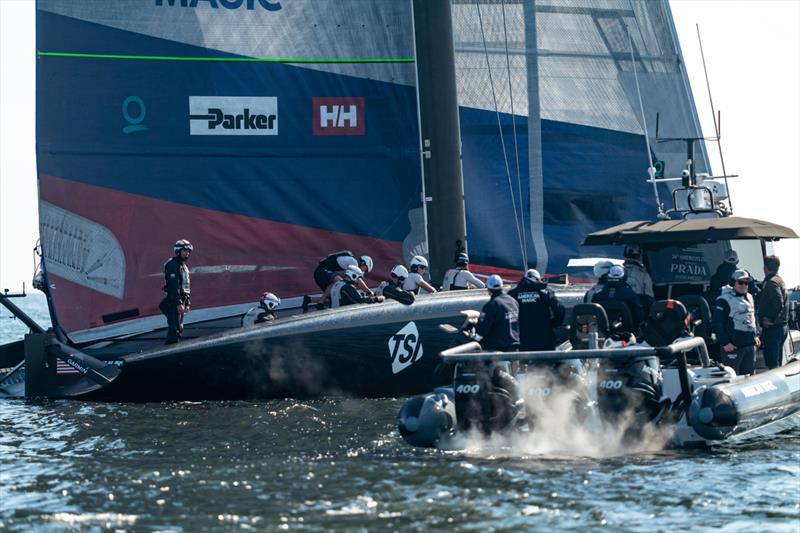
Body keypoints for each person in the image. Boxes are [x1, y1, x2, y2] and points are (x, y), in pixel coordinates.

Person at [713, 269, 759, 375]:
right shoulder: (723, 300)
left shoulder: (750, 297)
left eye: (746, 283)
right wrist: (725, 342)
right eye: (740, 282)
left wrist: (756, 335)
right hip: (733, 347)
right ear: (733, 283)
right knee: (733, 378)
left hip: (749, 345)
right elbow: (717, 323)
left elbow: (753, 317)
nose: (744, 285)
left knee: (750, 378)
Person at [508, 269, 565, 351]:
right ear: (538, 279)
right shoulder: (546, 292)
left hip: (523, 341)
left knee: (525, 363)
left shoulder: (513, 293)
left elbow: (505, 315)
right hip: (545, 340)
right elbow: (560, 310)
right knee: (546, 363)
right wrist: (552, 324)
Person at [305, 251, 374, 311]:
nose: (364, 272)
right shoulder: (353, 262)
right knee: (340, 283)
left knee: (335, 295)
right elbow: (359, 280)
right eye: (365, 269)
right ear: (363, 263)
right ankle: (320, 303)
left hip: (321, 272)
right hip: (322, 271)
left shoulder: (352, 263)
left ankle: (309, 299)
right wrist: (368, 292)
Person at [756, 255, 788, 369]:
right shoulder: (779, 280)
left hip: (774, 328)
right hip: (781, 326)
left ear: (765, 268)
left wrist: (771, 319)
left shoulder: (772, 283)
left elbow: (778, 302)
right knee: (777, 362)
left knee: (772, 363)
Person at [474, 275, 519, 352]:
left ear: (488, 289)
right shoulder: (513, 301)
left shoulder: (492, 305)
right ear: (502, 286)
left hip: (497, 351)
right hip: (515, 348)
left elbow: (482, 330)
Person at [159, 239, 192, 344]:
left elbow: (185, 287)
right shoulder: (172, 265)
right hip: (174, 302)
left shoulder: (184, 266)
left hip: (180, 301)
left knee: (179, 327)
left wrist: (187, 302)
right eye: (185, 250)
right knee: (175, 330)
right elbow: (173, 286)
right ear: (178, 251)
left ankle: (173, 346)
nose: (187, 253)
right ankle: (169, 351)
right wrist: (178, 303)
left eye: (188, 251)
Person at [591, 265, 644, 329]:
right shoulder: (631, 294)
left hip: (601, 334)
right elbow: (639, 317)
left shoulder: (597, 295)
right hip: (627, 334)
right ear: (624, 277)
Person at [623, 244, 654, 313]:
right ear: (639, 256)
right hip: (637, 310)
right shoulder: (644, 274)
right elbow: (649, 296)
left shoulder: (617, 272)